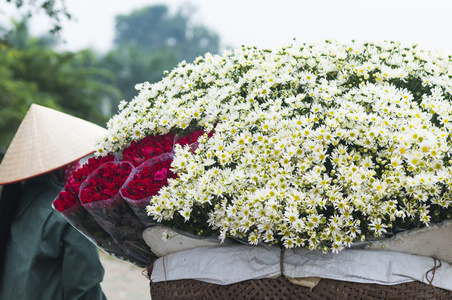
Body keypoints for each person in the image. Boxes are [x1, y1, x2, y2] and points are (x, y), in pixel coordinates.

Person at [0, 104, 108, 299]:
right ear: (59, 165)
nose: (75, 166)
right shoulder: (67, 210)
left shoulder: (11, 204)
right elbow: (84, 290)